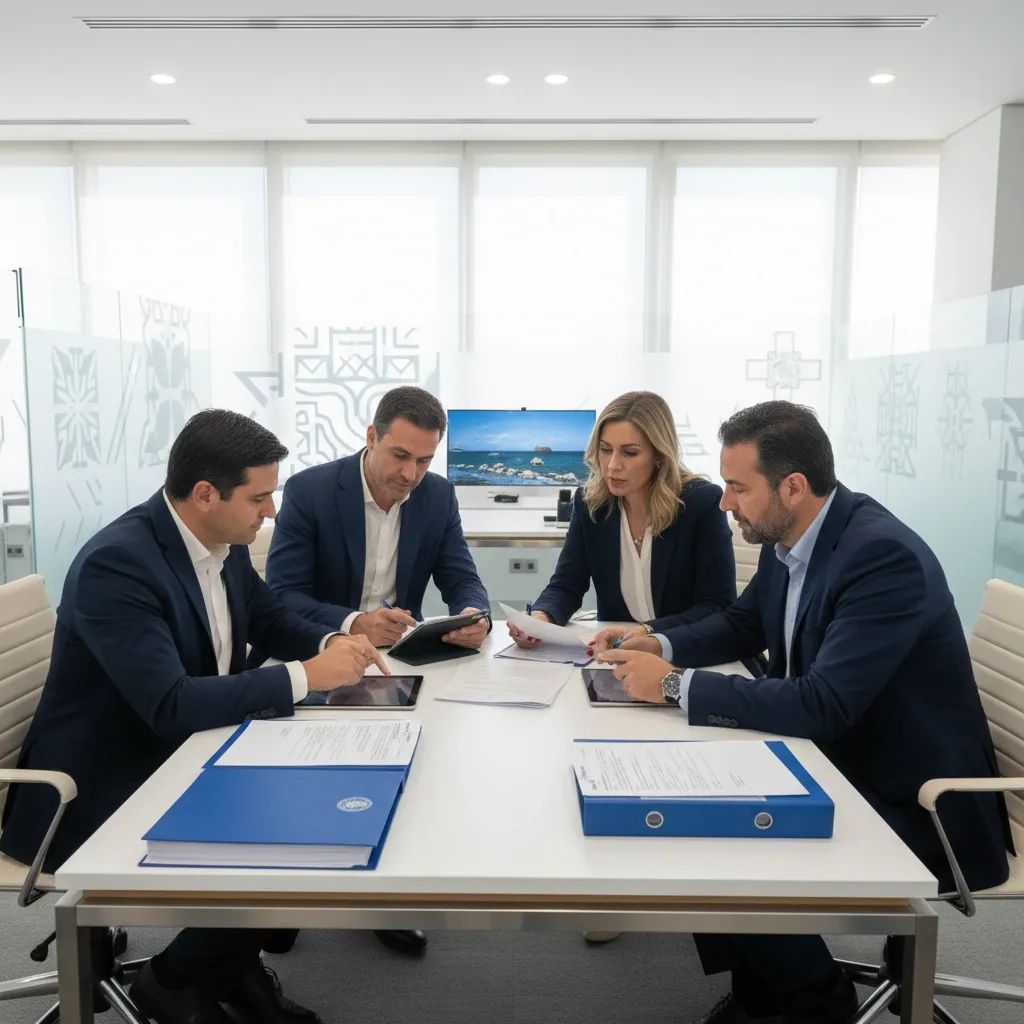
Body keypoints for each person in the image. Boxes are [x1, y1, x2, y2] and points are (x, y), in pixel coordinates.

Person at [593, 400, 1013, 1024]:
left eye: (738, 488)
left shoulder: (879, 558)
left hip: (919, 801)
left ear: (792, 486)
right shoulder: (792, 536)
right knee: (693, 810)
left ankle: (811, 996)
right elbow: (742, 624)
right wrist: (658, 643)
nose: (725, 503)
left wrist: (677, 686)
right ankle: (771, 984)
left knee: (714, 835)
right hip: (840, 760)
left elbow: (824, 703)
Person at [0, 410, 387, 1024]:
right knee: (294, 835)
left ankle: (229, 969)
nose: (272, 512)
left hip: (179, 754)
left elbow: (268, 620)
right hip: (95, 788)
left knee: (327, 806)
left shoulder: (218, 542)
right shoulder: (118, 565)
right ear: (205, 495)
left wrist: (335, 643)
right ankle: (174, 981)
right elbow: (171, 705)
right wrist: (305, 677)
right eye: (259, 497)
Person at [265, 384, 489, 954]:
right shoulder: (311, 490)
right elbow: (281, 596)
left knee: (406, 778)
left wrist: (473, 613)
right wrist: (352, 622)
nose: (412, 474)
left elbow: (460, 572)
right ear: (370, 438)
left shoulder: (436, 496)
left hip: (401, 662)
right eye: (401, 456)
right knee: (318, 780)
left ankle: (387, 897)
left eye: (424, 460)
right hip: (323, 652)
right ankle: (286, 898)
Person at [508, 391, 735, 651]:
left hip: (684, 651)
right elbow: (566, 585)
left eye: (629, 452)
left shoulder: (701, 502)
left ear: (659, 455)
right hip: (615, 655)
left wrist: (647, 633)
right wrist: (540, 619)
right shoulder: (590, 503)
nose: (612, 465)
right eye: (605, 450)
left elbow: (717, 606)